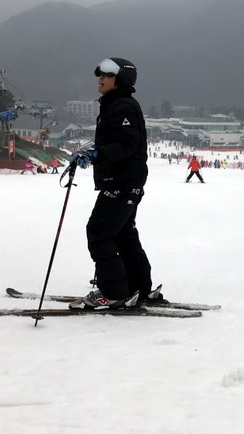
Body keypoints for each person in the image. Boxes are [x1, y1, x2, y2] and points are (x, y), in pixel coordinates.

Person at [70, 57, 158, 310]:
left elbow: (126, 144)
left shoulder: (122, 106)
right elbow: (119, 142)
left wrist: (96, 154)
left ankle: (113, 292)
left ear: (121, 79)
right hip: (125, 180)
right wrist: (90, 152)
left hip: (121, 181)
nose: (100, 79)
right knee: (122, 233)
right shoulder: (115, 105)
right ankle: (138, 288)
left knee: (98, 232)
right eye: (100, 75)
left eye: (107, 76)